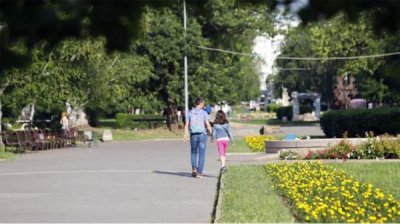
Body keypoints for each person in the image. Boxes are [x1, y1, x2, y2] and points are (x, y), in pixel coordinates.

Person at [184, 98, 212, 178]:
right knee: (202, 153)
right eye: (203, 104)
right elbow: (207, 124)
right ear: (201, 104)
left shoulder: (189, 112)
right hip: (202, 134)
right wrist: (212, 134)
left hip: (193, 134)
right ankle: (199, 172)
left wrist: (185, 135)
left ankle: (194, 170)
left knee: (193, 152)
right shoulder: (204, 113)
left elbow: (186, 125)